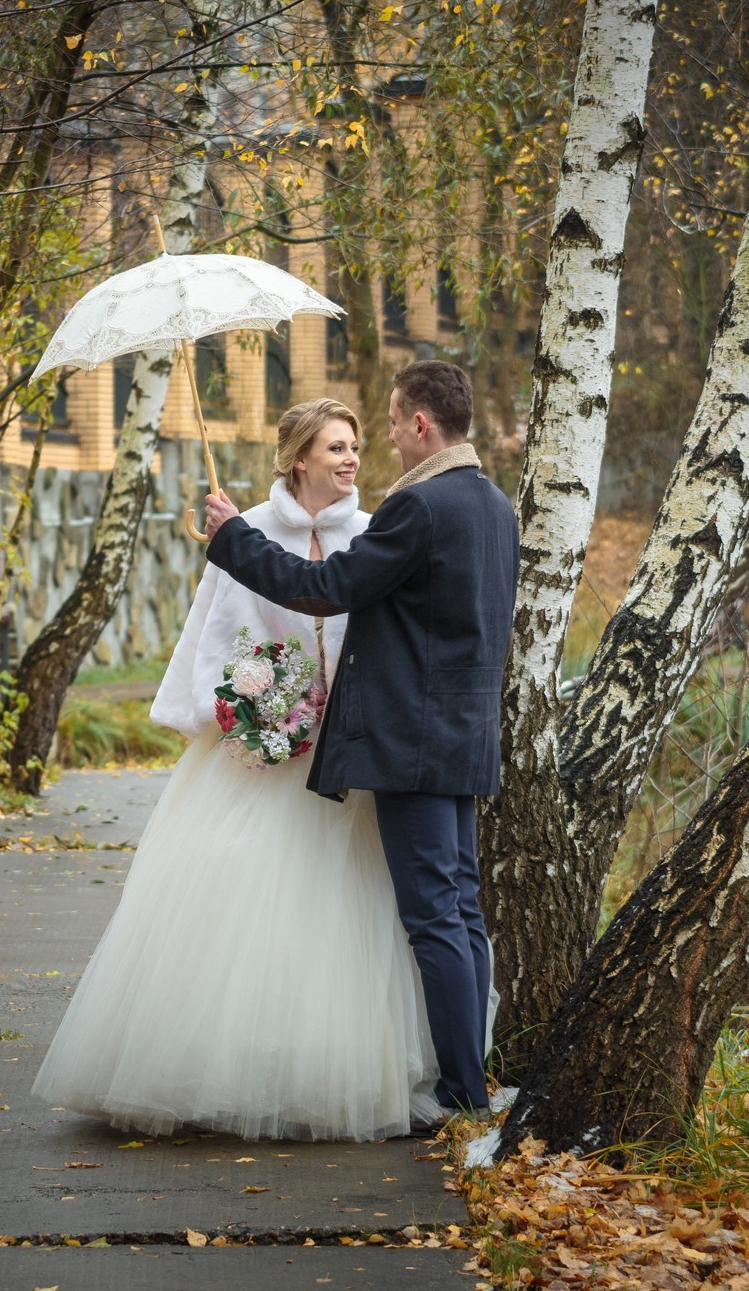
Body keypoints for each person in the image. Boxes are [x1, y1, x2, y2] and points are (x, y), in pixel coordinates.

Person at [32, 399, 441, 1141]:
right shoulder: (244, 530)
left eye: (355, 445)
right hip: (261, 756)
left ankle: (330, 1068)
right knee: (244, 910)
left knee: (342, 913)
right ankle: (226, 1068)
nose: (352, 458)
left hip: (348, 758)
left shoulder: (372, 531)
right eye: (336, 447)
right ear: (299, 457)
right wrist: (249, 712)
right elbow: (215, 638)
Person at [203, 360, 518, 1117]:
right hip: (467, 736)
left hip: (412, 743)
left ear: (421, 423)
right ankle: (472, 1080)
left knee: (434, 918)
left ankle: (464, 1095)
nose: (387, 438)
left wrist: (233, 538)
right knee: (462, 911)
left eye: (392, 421)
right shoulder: (496, 505)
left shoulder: (420, 507)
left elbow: (327, 588)